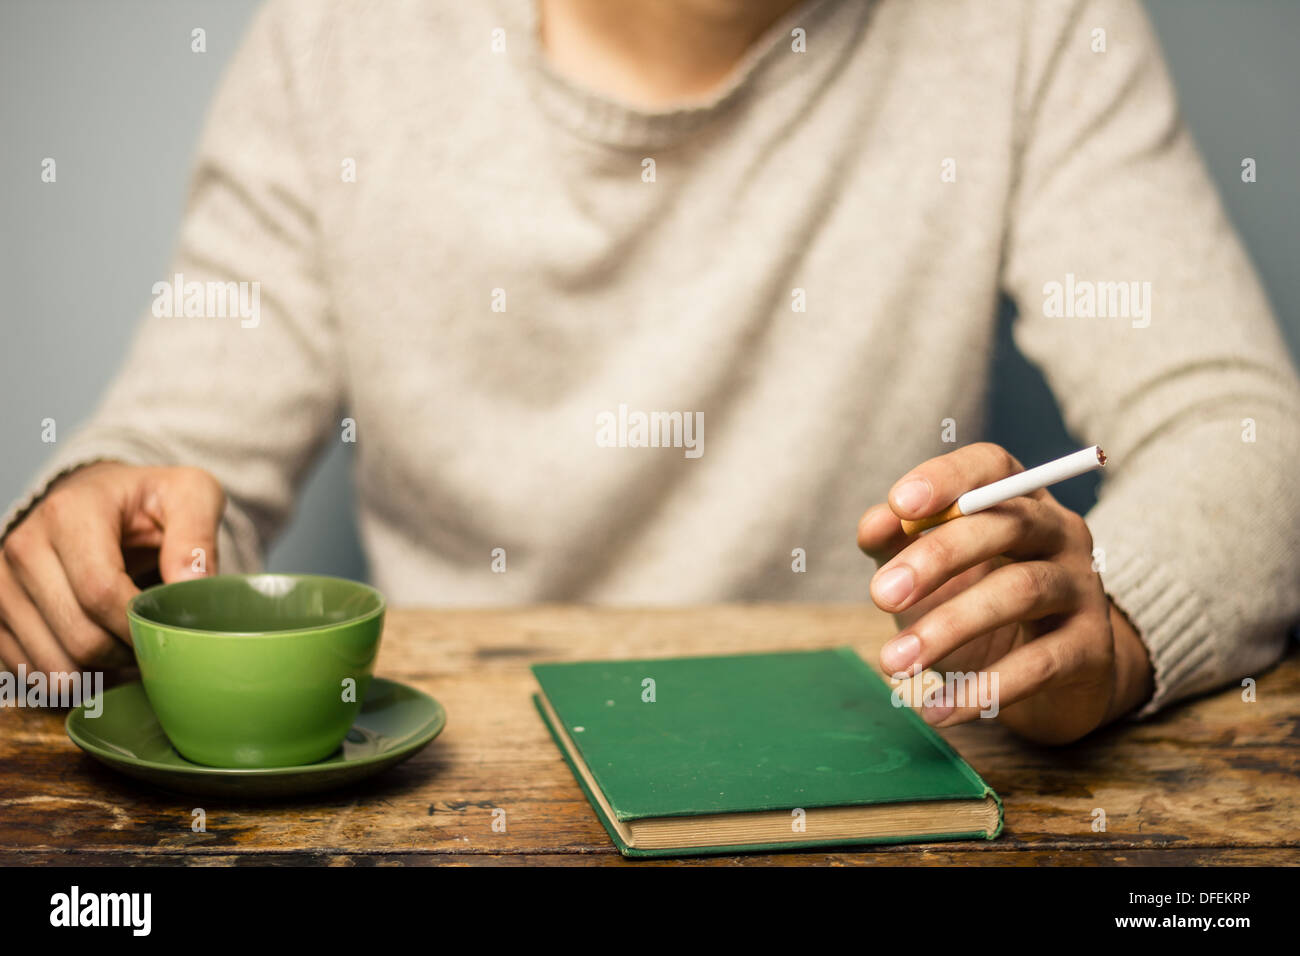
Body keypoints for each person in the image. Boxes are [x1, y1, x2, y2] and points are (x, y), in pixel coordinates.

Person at [2, 0, 1298, 744]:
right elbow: (169, 451)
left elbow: (1243, 433)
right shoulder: (336, 37)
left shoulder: (1030, 24)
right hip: (454, 781)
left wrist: (1112, 625)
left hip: (874, 775)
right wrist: (91, 527)